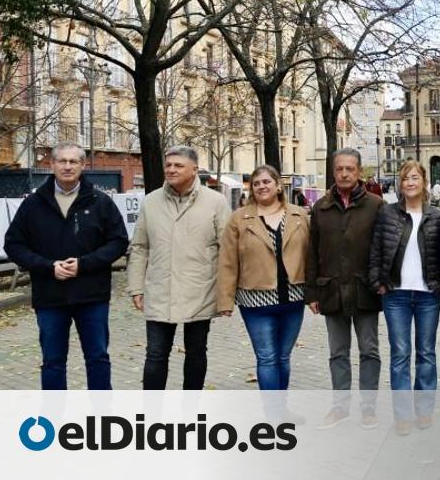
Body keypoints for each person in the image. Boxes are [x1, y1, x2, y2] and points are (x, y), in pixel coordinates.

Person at [5, 143, 129, 390]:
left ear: (83, 165)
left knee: (98, 359)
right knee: (52, 362)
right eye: (62, 161)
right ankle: (55, 420)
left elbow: (118, 242)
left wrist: (84, 265)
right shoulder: (33, 204)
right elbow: (14, 245)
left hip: (92, 296)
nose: (68, 166)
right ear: (51, 164)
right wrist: (47, 267)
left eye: (74, 161)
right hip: (50, 296)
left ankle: (102, 418)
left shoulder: (100, 202)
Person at [127, 146, 232, 390]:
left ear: (194, 170)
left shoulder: (216, 202)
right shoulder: (151, 202)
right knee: (155, 355)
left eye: (178, 165)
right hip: (160, 289)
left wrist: (226, 294)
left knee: (196, 353)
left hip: (201, 290)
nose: (171, 169)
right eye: (168, 165)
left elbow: (227, 249)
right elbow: (140, 247)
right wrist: (135, 287)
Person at [305, 148, 385, 429]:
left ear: (359, 171)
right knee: (337, 352)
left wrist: (382, 282)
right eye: (339, 169)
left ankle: (368, 408)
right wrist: (312, 292)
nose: (344, 173)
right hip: (331, 290)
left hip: (365, 290)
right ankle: (340, 407)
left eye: (350, 168)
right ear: (333, 171)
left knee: (369, 350)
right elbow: (312, 252)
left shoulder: (376, 205)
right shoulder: (321, 207)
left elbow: (383, 249)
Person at [368, 160, 440, 434]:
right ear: (400, 185)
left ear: (423, 182)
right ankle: (402, 415)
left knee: (426, 353)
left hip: (428, 294)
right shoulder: (388, 214)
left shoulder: (436, 216)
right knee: (400, 354)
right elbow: (376, 250)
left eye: (415, 177)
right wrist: (378, 282)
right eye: (405, 179)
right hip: (396, 295)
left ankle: (424, 411)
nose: (410, 182)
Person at [216, 165, 310, 391]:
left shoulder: (299, 215)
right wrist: (225, 300)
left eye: (266, 182)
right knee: (267, 358)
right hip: (255, 301)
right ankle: (273, 416)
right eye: (256, 183)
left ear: (278, 186)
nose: (261, 186)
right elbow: (227, 261)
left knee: (283, 358)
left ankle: (281, 408)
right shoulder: (239, 219)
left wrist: (316, 294)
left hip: (293, 299)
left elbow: (312, 257)